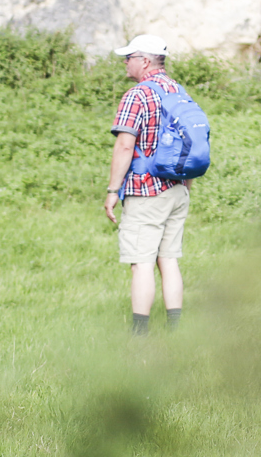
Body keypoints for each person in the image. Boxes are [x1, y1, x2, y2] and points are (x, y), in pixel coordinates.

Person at [104, 34, 191, 336]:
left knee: (141, 263)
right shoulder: (179, 92)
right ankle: (175, 330)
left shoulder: (137, 95)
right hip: (178, 189)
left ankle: (139, 336)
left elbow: (125, 147)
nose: (125, 63)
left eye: (128, 58)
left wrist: (113, 190)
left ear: (144, 61)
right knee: (168, 259)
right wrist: (186, 185)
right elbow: (191, 142)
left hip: (146, 190)